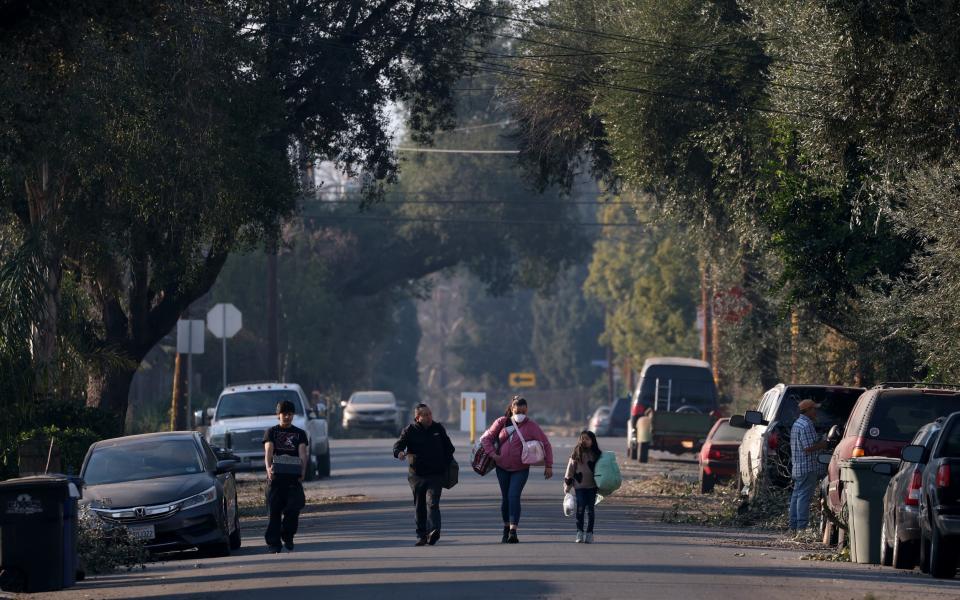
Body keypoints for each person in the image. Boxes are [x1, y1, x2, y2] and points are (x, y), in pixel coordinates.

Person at [480, 395, 554, 544]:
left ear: (526, 410)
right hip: (502, 467)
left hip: (521, 468)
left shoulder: (532, 426)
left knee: (514, 496)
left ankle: (513, 530)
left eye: (523, 411)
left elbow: (546, 444)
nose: (520, 414)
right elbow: (485, 439)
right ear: (512, 409)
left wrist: (549, 465)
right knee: (505, 498)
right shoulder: (502, 422)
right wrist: (493, 455)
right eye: (517, 410)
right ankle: (506, 528)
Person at [393, 403, 455, 546]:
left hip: (436, 474)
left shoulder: (438, 428)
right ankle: (421, 535)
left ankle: (434, 531)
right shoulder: (410, 430)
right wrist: (400, 453)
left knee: (433, 502)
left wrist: (444, 462)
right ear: (418, 417)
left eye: (430, 414)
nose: (429, 417)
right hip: (417, 475)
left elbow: (449, 448)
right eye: (425, 415)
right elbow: (398, 446)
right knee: (420, 505)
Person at [263, 399, 309, 553]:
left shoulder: (300, 434)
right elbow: (268, 451)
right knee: (274, 513)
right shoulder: (272, 432)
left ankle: (288, 536)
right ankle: (273, 544)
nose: (287, 417)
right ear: (278, 415)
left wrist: (303, 471)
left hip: (293, 479)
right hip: (276, 479)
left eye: (290, 414)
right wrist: (269, 469)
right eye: (284, 414)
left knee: (293, 509)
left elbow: (303, 453)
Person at [789, 398, 829, 532]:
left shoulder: (797, 424)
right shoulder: (806, 425)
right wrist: (824, 444)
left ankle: (793, 527)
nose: (816, 411)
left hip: (798, 467)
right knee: (804, 498)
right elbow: (808, 447)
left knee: (797, 497)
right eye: (814, 409)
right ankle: (801, 528)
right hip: (807, 467)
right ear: (808, 410)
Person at [564, 430, 602, 543]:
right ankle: (579, 532)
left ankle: (589, 533)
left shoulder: (597, 454)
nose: (584, 441)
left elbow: (604, 470)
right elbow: (570, 470)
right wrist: (567, 485)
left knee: (590, 510)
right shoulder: (576, 453)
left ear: (592, 441)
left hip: (592, 487)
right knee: (580, 509)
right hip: (579, 487)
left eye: (587, 439)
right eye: (582, 438)